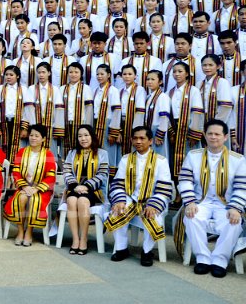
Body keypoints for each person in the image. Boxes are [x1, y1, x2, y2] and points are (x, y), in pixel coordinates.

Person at [174, 119, 246, 278]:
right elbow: (185, 180)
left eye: (217, 134)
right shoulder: (193, 156)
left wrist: (236, 207)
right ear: (204, 136)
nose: (213, 137)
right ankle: (203, 258)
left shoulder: (238, 159)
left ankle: (220, 260)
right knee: (191, 217)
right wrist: (190, 201)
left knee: (234, 222)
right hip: (201, 201)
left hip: (226, 204)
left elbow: (242, 186)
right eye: (210, 134)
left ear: (225, 137)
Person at [105, 126, 173, 267]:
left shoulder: (161, 161)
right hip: (131, 198)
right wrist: (120, 200)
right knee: (117, 211)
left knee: (152, 215)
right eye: (135, 138)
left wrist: (153, 205)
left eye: (142, 138)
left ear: (150, 141)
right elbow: (118, 183)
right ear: (131, 140)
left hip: (153, 198)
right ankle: (121, 248)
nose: (138, 141)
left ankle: (147, 252)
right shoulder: (126, 159)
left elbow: (164, 187)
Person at [4, 124, 57, 246]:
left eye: (37, 136)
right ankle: (20, 231)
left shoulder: (48, 154)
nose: (33, 138)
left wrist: (36, 189)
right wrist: (25, 186)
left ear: (43, 139)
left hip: (41, 190)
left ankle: (29, 232)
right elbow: (16, 171)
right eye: (31, 135)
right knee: (20, 198)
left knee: (34, 200)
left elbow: (50, 176)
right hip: (24, 187)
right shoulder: (21, 152)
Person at [62, 125, 110, 255]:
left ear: (92, 136)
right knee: (71, 200)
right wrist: (75, 186)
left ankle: (84, 239)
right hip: (74, 188)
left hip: (95, 190)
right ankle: (75, 239)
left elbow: (103, 174)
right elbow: (66, 171)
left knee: (82, 201)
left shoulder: (102, 153)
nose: (83, 139)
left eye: (86, 135)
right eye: (80, 136)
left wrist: (87, 186)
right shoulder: (72, 153)